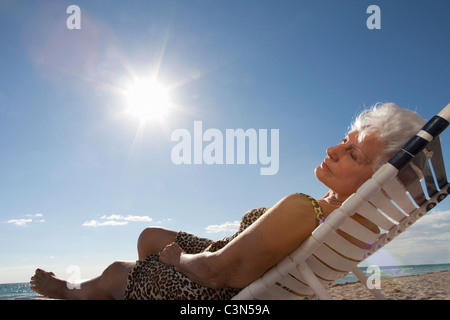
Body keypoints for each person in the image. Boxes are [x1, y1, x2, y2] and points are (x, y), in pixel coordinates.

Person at [30, 102, 426, 300]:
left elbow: (221, 273)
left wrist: (177, 261)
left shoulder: (305, 209)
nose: (333, 149)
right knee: (151, 235)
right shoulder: (361, 224)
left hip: (217, 291)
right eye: (345, 141)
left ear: (379, 178)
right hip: (248, 270)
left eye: (352, 154)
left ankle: (73, 291)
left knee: (124, 267)